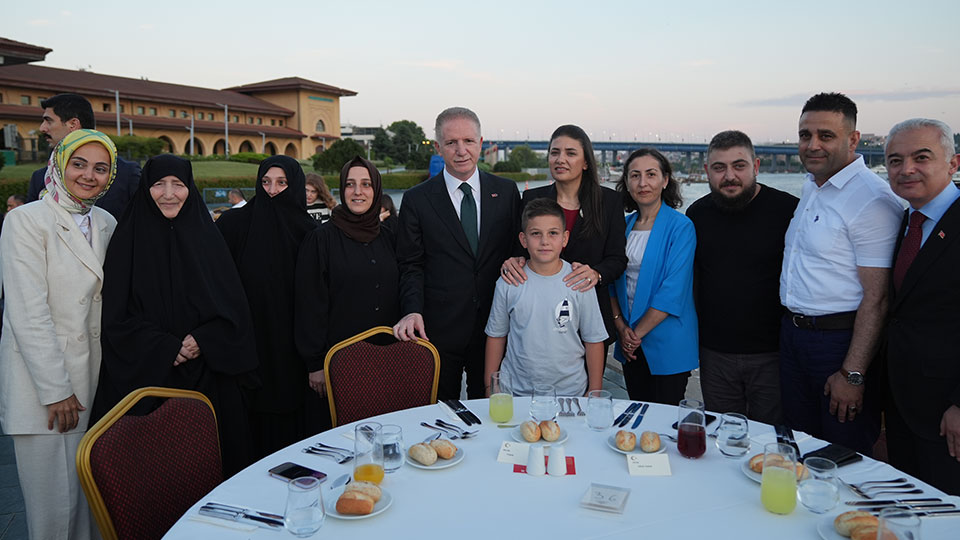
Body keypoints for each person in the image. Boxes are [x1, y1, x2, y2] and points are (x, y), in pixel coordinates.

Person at [89, 154, 259, 477]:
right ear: (145, 188)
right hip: (149, 383)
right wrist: (166, 347)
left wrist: (203, 340)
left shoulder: (209, 240)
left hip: (210, 381)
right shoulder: (126, 241)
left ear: (189, 188)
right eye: (158, 184)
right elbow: (115, 319)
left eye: (178, 184)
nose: (168, 193)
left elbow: (235, 313)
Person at [0, 129, 118, 540]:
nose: (89, 175)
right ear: (59, 164)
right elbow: (28, 313)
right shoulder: (25, 221)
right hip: (45, 391)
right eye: (79, 164)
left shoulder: (106, 222)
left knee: (88, 505)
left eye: (100, 168)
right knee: (54, 514)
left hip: (93, 384)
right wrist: (55, 389)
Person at [779, 92, 902, 455]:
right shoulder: (812, 187)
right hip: (794, 336)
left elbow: (877, 299)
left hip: (839, 343)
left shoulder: (872, 200)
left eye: (825, 136)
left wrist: (853, 372)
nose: (812, 145)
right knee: (798, 446)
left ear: (853, 139)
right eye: (805, 135)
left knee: (841, 454)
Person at [393, 107, 521, 400]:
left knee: (491, 411)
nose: (461, 150)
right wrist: (412, 309)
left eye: (468, 141)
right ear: (438, 147)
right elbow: (410, 263)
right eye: (451, 143)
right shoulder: (417, 199)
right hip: (438, 330)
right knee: (440, 413)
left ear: (482, 142)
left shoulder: (506, 192)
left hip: (495, 328)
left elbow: (516, 249)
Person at [686, 130, 798, 424]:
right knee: (723, 437)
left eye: (739, 166)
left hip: (773, 353)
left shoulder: (788, 210)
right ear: (707, 171)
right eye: (719, 168)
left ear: (756, 166)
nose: (730, 176)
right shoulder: (696, 215)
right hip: (714, 353)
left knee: (771, 439)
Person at [216, 155, 321, 458]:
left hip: (294, 352)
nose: (273, 190)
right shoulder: (235, 224)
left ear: (295, 185)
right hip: (248, 349)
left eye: (282, 182)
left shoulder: (309, 232)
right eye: (266, 182)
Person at [500, 125, 627, 361]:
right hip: (537, 318)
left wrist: (596, 274)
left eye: (570, 153)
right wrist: (514, 260)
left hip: (587, 317)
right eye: (554, 152)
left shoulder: (609, 201)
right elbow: (520, 249)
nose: (560, 159)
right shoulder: (531, 198)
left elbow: (618, 259)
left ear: (586, 162)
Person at [883, 118, 960, 495]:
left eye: (921, 157)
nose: (906, 169)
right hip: (902, 405)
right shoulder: (905, 220)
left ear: (953, 163)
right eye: (895, 160)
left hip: (947, 414)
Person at [296, 156, 399, 398]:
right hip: (338, 363)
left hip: (388, 359)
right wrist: (315, 363)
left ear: (376, 189)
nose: (357, 192)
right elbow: (308, 305)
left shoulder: (389, 238)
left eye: (366, 184)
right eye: (350, 184)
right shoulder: (321, 240)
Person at [485, 198, 607, 396]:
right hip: (516, 393)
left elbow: (593, 339)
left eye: (553, 233)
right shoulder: (508, 283)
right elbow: (496, 336)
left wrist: (594, 391)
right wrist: (491, 387)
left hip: (570, 393)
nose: (545, 241)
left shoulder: (579, 282)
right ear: (523, 240)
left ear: (565, 238)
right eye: (535, 234)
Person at [610, 148, 698, 405]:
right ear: (626, 182)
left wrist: (634, 335)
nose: (642, 183)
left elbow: (673, 291)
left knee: (665, 419)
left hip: (668, 340)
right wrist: (621, 328)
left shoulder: (681, 227)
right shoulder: (622, 225)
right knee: (638, 413)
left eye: (651, 174)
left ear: (665, 180)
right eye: (634, 176)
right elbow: (613, 283)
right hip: (628, 341)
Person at [26, 94, 139, 219]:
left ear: (73, 124)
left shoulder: (127, 174)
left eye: (49, 121)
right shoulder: (40, 178)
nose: (42, 128)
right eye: (78, 165)